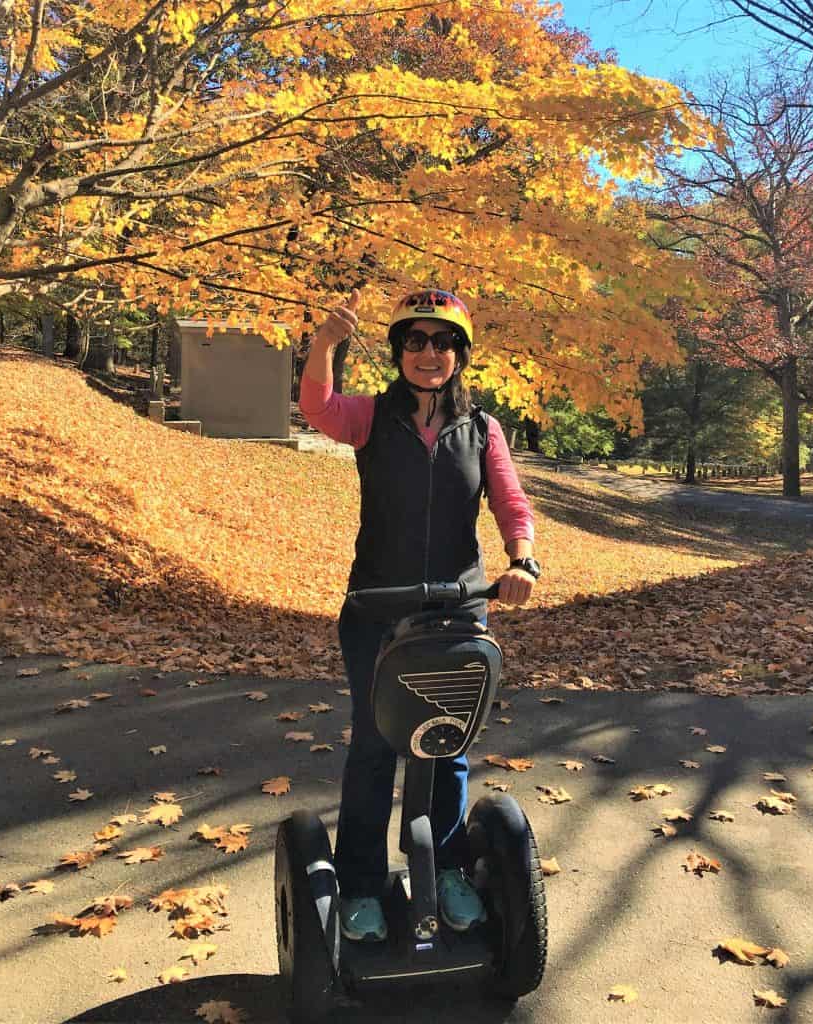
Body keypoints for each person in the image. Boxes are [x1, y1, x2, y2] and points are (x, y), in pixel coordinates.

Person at [299, 286, 540, 943]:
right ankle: (362, 883)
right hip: (378, 609)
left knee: (448, 743)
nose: (428, 353)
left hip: (460, 610)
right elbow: (317, 407)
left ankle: (450, 870)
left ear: (460, 354)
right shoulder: (371, 417)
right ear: (398, 350)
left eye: (443, 342)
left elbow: (510, 502)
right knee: (376, 746)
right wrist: (325, 344)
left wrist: (522, 560)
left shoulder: (482, 430)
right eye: (415, 340)